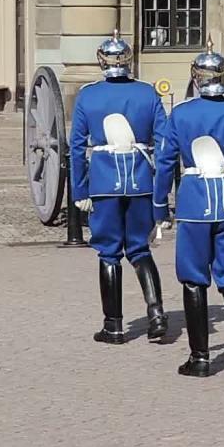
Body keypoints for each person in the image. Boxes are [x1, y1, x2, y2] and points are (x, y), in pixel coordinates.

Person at [153, 39, 224, 379]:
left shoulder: (182, 113)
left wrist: (160, 206)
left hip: (194, 203)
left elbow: (165, 162)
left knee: (193, 280)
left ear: (196, 77)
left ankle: (200, 357)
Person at [68, 32, 169, 345]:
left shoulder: (88, 95)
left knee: (109, 252)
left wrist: (80, 191)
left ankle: (113, 326)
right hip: (141, 180)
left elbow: (76, 147)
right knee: (139, 248)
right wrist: (162, 192)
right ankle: (156, 314)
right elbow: (165, 145)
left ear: (102, 61)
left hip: (103, 181)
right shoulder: (148, 93)